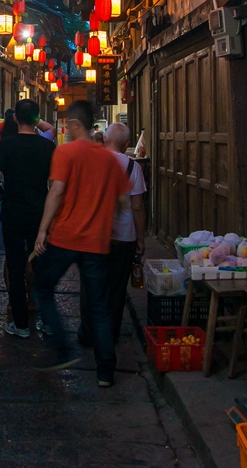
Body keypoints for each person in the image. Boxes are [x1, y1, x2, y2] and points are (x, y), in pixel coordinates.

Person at [32, 100, 132, 387]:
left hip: (66, 237)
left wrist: (42, 231)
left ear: (75, 124)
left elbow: (56, 192)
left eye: (67, 123)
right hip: (97, 242)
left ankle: (62, 350)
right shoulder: (109, 160)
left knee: (43, 286)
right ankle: (105, 372)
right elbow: (123, 202)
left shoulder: (65, 152)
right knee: (98, 306)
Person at [0, 98, 55, 338]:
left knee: (15, 267)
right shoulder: (48, 146)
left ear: (15, 118)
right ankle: (47, 321)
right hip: (39, 214)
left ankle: (21, 325)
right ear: (37, 118)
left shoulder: (7, 144)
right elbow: (54, 185)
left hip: (13, 212)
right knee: (42, 266)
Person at [98, 122, 147, 342]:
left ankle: (90, 331)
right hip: (124, 237)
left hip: (96, 234)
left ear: (105, 140)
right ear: (127, 144)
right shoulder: (132, 167)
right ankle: (111, 333)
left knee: (94, 284)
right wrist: (141, 238)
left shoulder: (93, 162)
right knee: (117, 288)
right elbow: (137, 206)